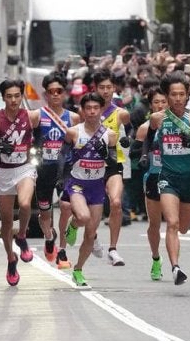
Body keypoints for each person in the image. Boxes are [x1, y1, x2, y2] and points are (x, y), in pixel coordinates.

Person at [147, 71, 190, 285]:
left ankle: (175, 264)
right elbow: (148, 139)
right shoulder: (157, 118)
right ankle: (175, 268)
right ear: (167, 96)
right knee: (172, 223)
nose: (177, 98)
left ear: (187, 95)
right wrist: (145, 155)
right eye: (173, 94)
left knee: (183, 227)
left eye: (181, 94)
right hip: (168, 177)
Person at [0, 79, 40, 286]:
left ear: (22, 96)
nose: (14, 100)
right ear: (3, 98)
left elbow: (42, 136)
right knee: (6, 222)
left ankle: (21, 236)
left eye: (17, 96)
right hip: (3, 172)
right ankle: (11, 259)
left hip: (24, 168)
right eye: (9, 96)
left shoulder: (31, 116)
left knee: (24, 204)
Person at [59, 92, 118, 287]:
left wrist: (105, 155)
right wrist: (61, 179)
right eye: (88, 108)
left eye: (96, 108)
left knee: (91, 234)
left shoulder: (110, 135)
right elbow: (62, 156)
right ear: (82, 111)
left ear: (101, 110)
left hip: (96, 186)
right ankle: (73, 224)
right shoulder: (73, 132)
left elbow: (113, 163)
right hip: (77, 183)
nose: (92, 112)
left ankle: (78, 270)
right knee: (83, 217)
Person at [34, 72, 78, 267]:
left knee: (66, 206)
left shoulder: (74, 118)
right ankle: (49, 236)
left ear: (64, 93)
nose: (55, 95)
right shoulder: (37, 116)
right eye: (51, 91)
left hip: (65, 170)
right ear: (45, 94)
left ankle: (62, 251)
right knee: (45, 213)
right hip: (44, 170)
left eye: (59, 91)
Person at [93, 69, 135, 266]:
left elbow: (131, 129)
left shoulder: (121, 113)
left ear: (114, 88)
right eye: (101, 87)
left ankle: (113, 249)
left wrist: (128, 139)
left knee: (116, 203)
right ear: (95, 88)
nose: (105, 91)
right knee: (90, 208)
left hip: (113, 163)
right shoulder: (87, 110)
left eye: (109, 87)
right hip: (90, 165)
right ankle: (92, 236)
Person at [134, 88, 168, 281]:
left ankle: (175, 264)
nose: (160, 105)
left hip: (174, 177)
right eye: (156, 102)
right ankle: (156, 259)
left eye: (163, 101)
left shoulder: (179, 124)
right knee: (154, 223)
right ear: (150, 105)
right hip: (153, 177)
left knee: (174, 223)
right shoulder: (145, 128)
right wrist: (142, 156)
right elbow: (135, 151)